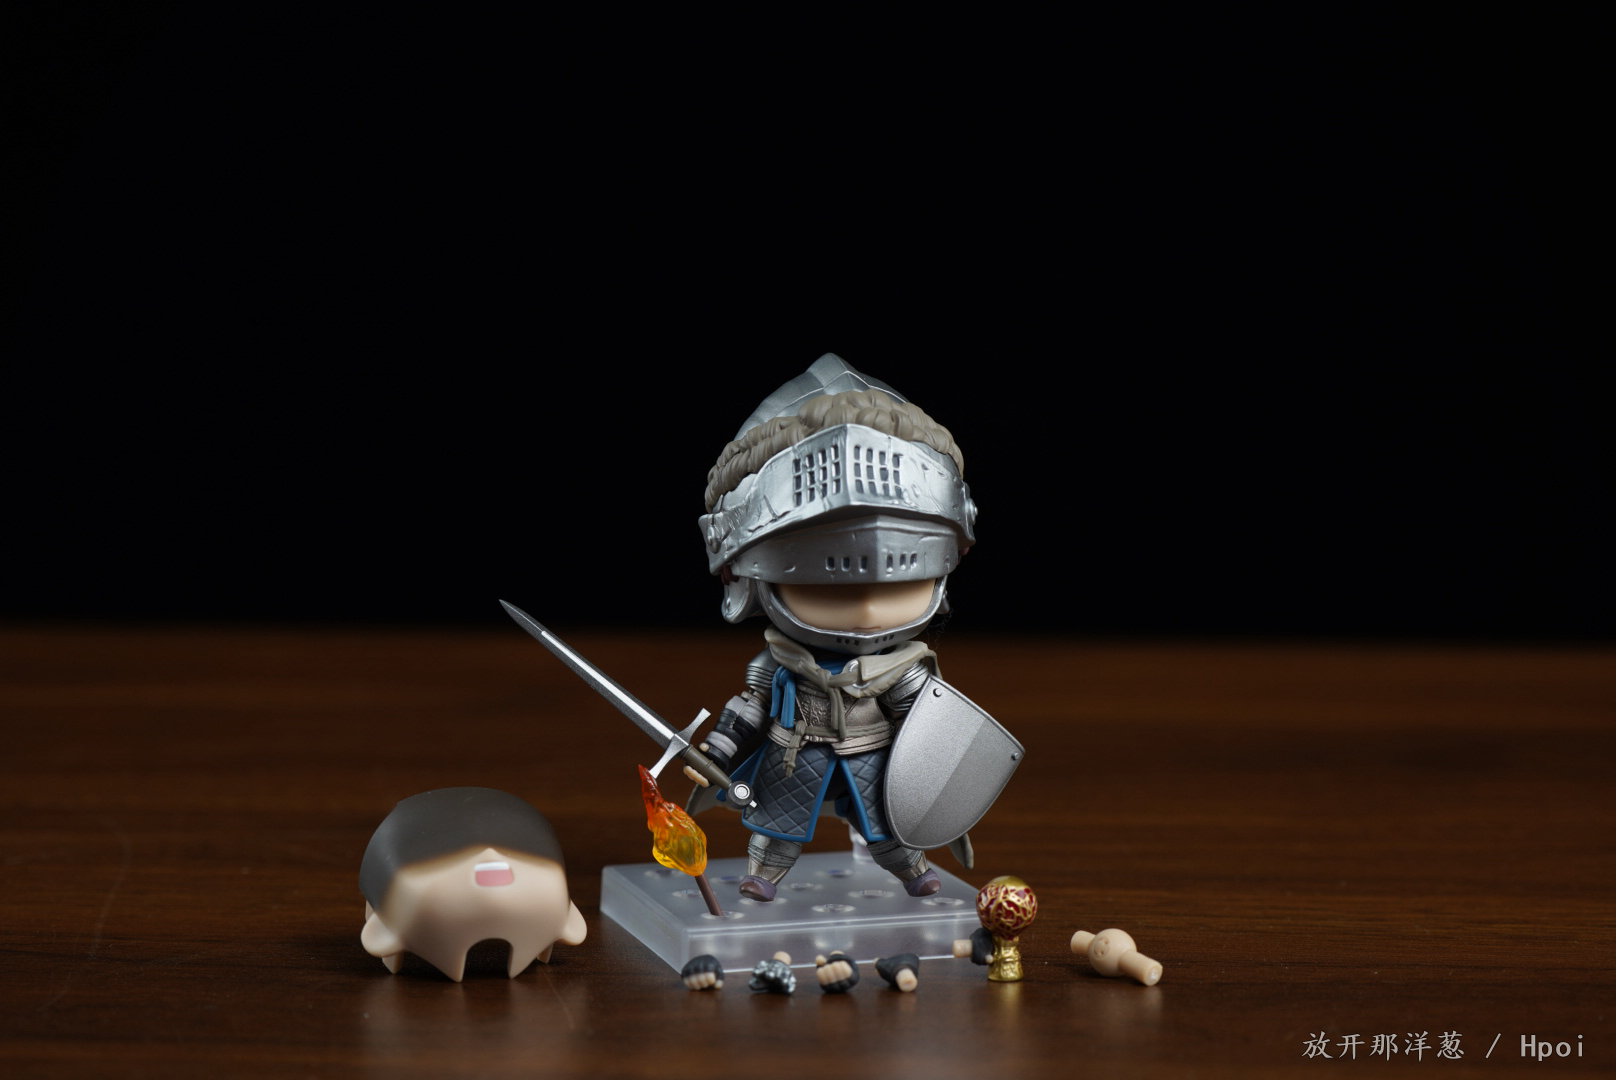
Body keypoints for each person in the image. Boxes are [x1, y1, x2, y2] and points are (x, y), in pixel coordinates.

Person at [691, 355, 983, 901]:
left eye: (897, 582)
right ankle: (763, 875)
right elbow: (750, 707)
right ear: (742, 573)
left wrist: (937, 767)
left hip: (874, 750)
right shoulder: (780, 663)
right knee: (776, 822)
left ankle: (913, 871)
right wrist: (717, 750)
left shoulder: (902, 668)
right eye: (829, 586)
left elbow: (925, 724)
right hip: (795, 751)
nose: (868, 610)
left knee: (890, 821)